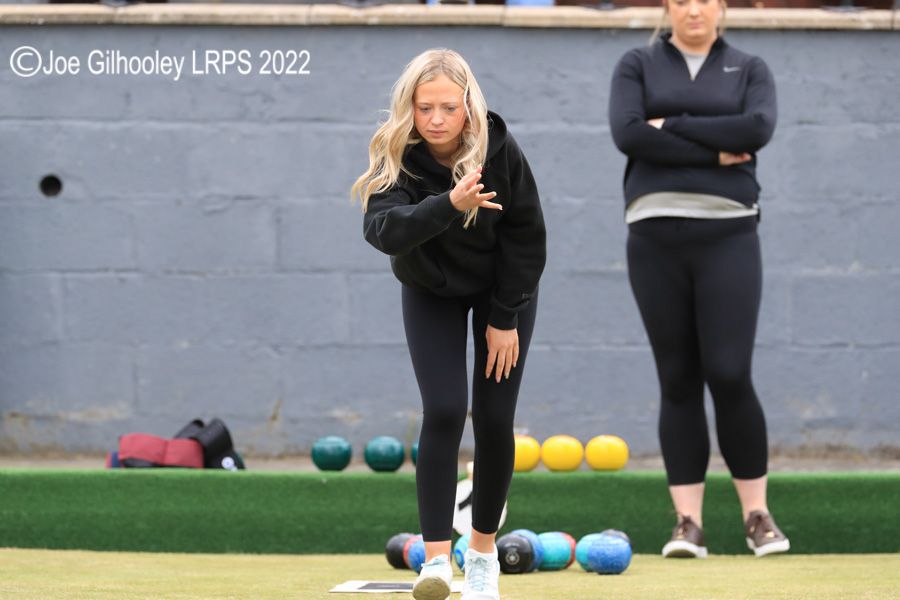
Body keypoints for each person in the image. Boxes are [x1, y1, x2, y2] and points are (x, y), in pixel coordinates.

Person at [352, 48, 546, 599]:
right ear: (409, 109)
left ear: (469, 108)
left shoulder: (501, 151)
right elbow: (385, 232)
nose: (436, 119)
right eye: (424, 107)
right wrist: (449, 202)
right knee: (442, 411)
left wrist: (504, 318)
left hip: (501, 296)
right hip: (430, 290)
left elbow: (527, 239)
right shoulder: (398, 156)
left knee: (492, 417)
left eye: (448, 107)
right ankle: (436, 560)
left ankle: (482, 554)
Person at [608, 0, 790, 559]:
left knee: (730, 372)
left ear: (722, 7)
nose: (694, 9)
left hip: (729, 232)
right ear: (669, 6)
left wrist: (675, 127)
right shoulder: (637, 64)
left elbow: (757, 128)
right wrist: (717, 148)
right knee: (678, 377)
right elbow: (630, 135)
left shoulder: (750, 68)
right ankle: (688, 524)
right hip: (653, 232)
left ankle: (757, 515)